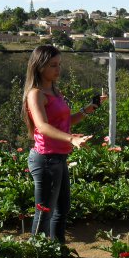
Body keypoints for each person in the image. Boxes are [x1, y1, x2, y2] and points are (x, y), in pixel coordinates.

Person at [23, 45, 95, 243]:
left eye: (59, 65)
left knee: (62, 209)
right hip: (45, 159)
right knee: (44, 212)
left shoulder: (55, 91)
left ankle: (58, 250)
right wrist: (72, 139)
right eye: (53, 65)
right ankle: (35, 253)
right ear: (39, 67)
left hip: (58, 157)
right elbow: (43, 127)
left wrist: (90, 109)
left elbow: (64, 122)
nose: (58, 69)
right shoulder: (36, 94)